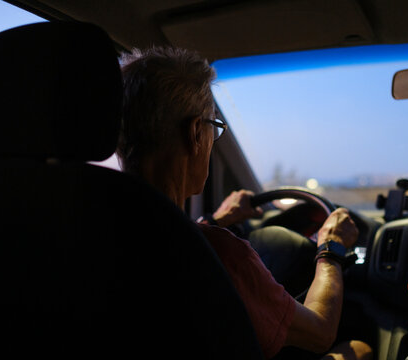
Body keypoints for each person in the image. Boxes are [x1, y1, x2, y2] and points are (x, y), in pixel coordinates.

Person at [116, 46, 372, 360]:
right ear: (197, 133)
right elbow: (320, 333)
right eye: (214, 128)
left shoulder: (88, 228)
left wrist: (215, 221)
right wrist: (330, 251)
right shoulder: (222, 255)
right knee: (359, 349)